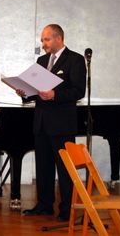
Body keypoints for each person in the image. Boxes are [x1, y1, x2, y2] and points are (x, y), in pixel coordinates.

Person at [17, 24, 86, 221]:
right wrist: (25, 92)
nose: (43, 43)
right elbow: (35, 91)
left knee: (64, 169)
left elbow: (78, 91)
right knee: (43, 166)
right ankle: (44, 205)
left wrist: (55, 94)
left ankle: (66, 209)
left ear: (58, 38)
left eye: (46, 40)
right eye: (42, 40)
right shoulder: (41, 60)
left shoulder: (75, 60)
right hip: (41, 122)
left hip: (62, 124)